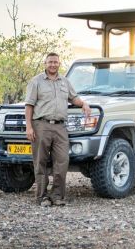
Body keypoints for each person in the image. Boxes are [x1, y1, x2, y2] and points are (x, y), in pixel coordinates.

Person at [24, 52, 91, 207]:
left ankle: (57, 196)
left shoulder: (65, 82)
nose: (53, 64)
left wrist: (84, 104)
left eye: (55, 62)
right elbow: (29, 105)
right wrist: (29, 126)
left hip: (60, 127)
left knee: (62, 161)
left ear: (59, 64)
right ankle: (42, 197)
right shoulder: (36, 82)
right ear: (45, 63)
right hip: (41, 125)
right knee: (40, 162)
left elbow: (73, 98)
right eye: (50, 62)